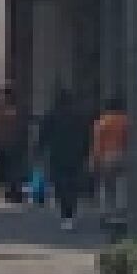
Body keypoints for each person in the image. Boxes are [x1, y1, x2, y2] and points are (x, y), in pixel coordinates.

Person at [37, 88, 93, 229]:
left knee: (60, 185)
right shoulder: (80, 116)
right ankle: (70, 212)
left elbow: (43, 136)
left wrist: (39, 150)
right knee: (72, 184)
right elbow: (87, 136)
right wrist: (86, 152)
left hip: (57, 155)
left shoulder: (52, 116)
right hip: (76, 155)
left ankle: (65, 213)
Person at [0, 87, 28, 205]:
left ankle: (13, 191)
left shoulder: (9, 109)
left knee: (12, 169)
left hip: (11, 144)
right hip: (6, 143)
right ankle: (11, 191)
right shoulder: (0, 108)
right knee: (8, 169)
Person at [91, 97, 130, 215]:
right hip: (121, 154)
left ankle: (105, 210)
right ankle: (121, 209)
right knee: (121, 182)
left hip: (105, 156)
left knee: (105, 185)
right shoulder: (125, 120)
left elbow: (97, 141)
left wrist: (95, 158)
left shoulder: (101, 121)